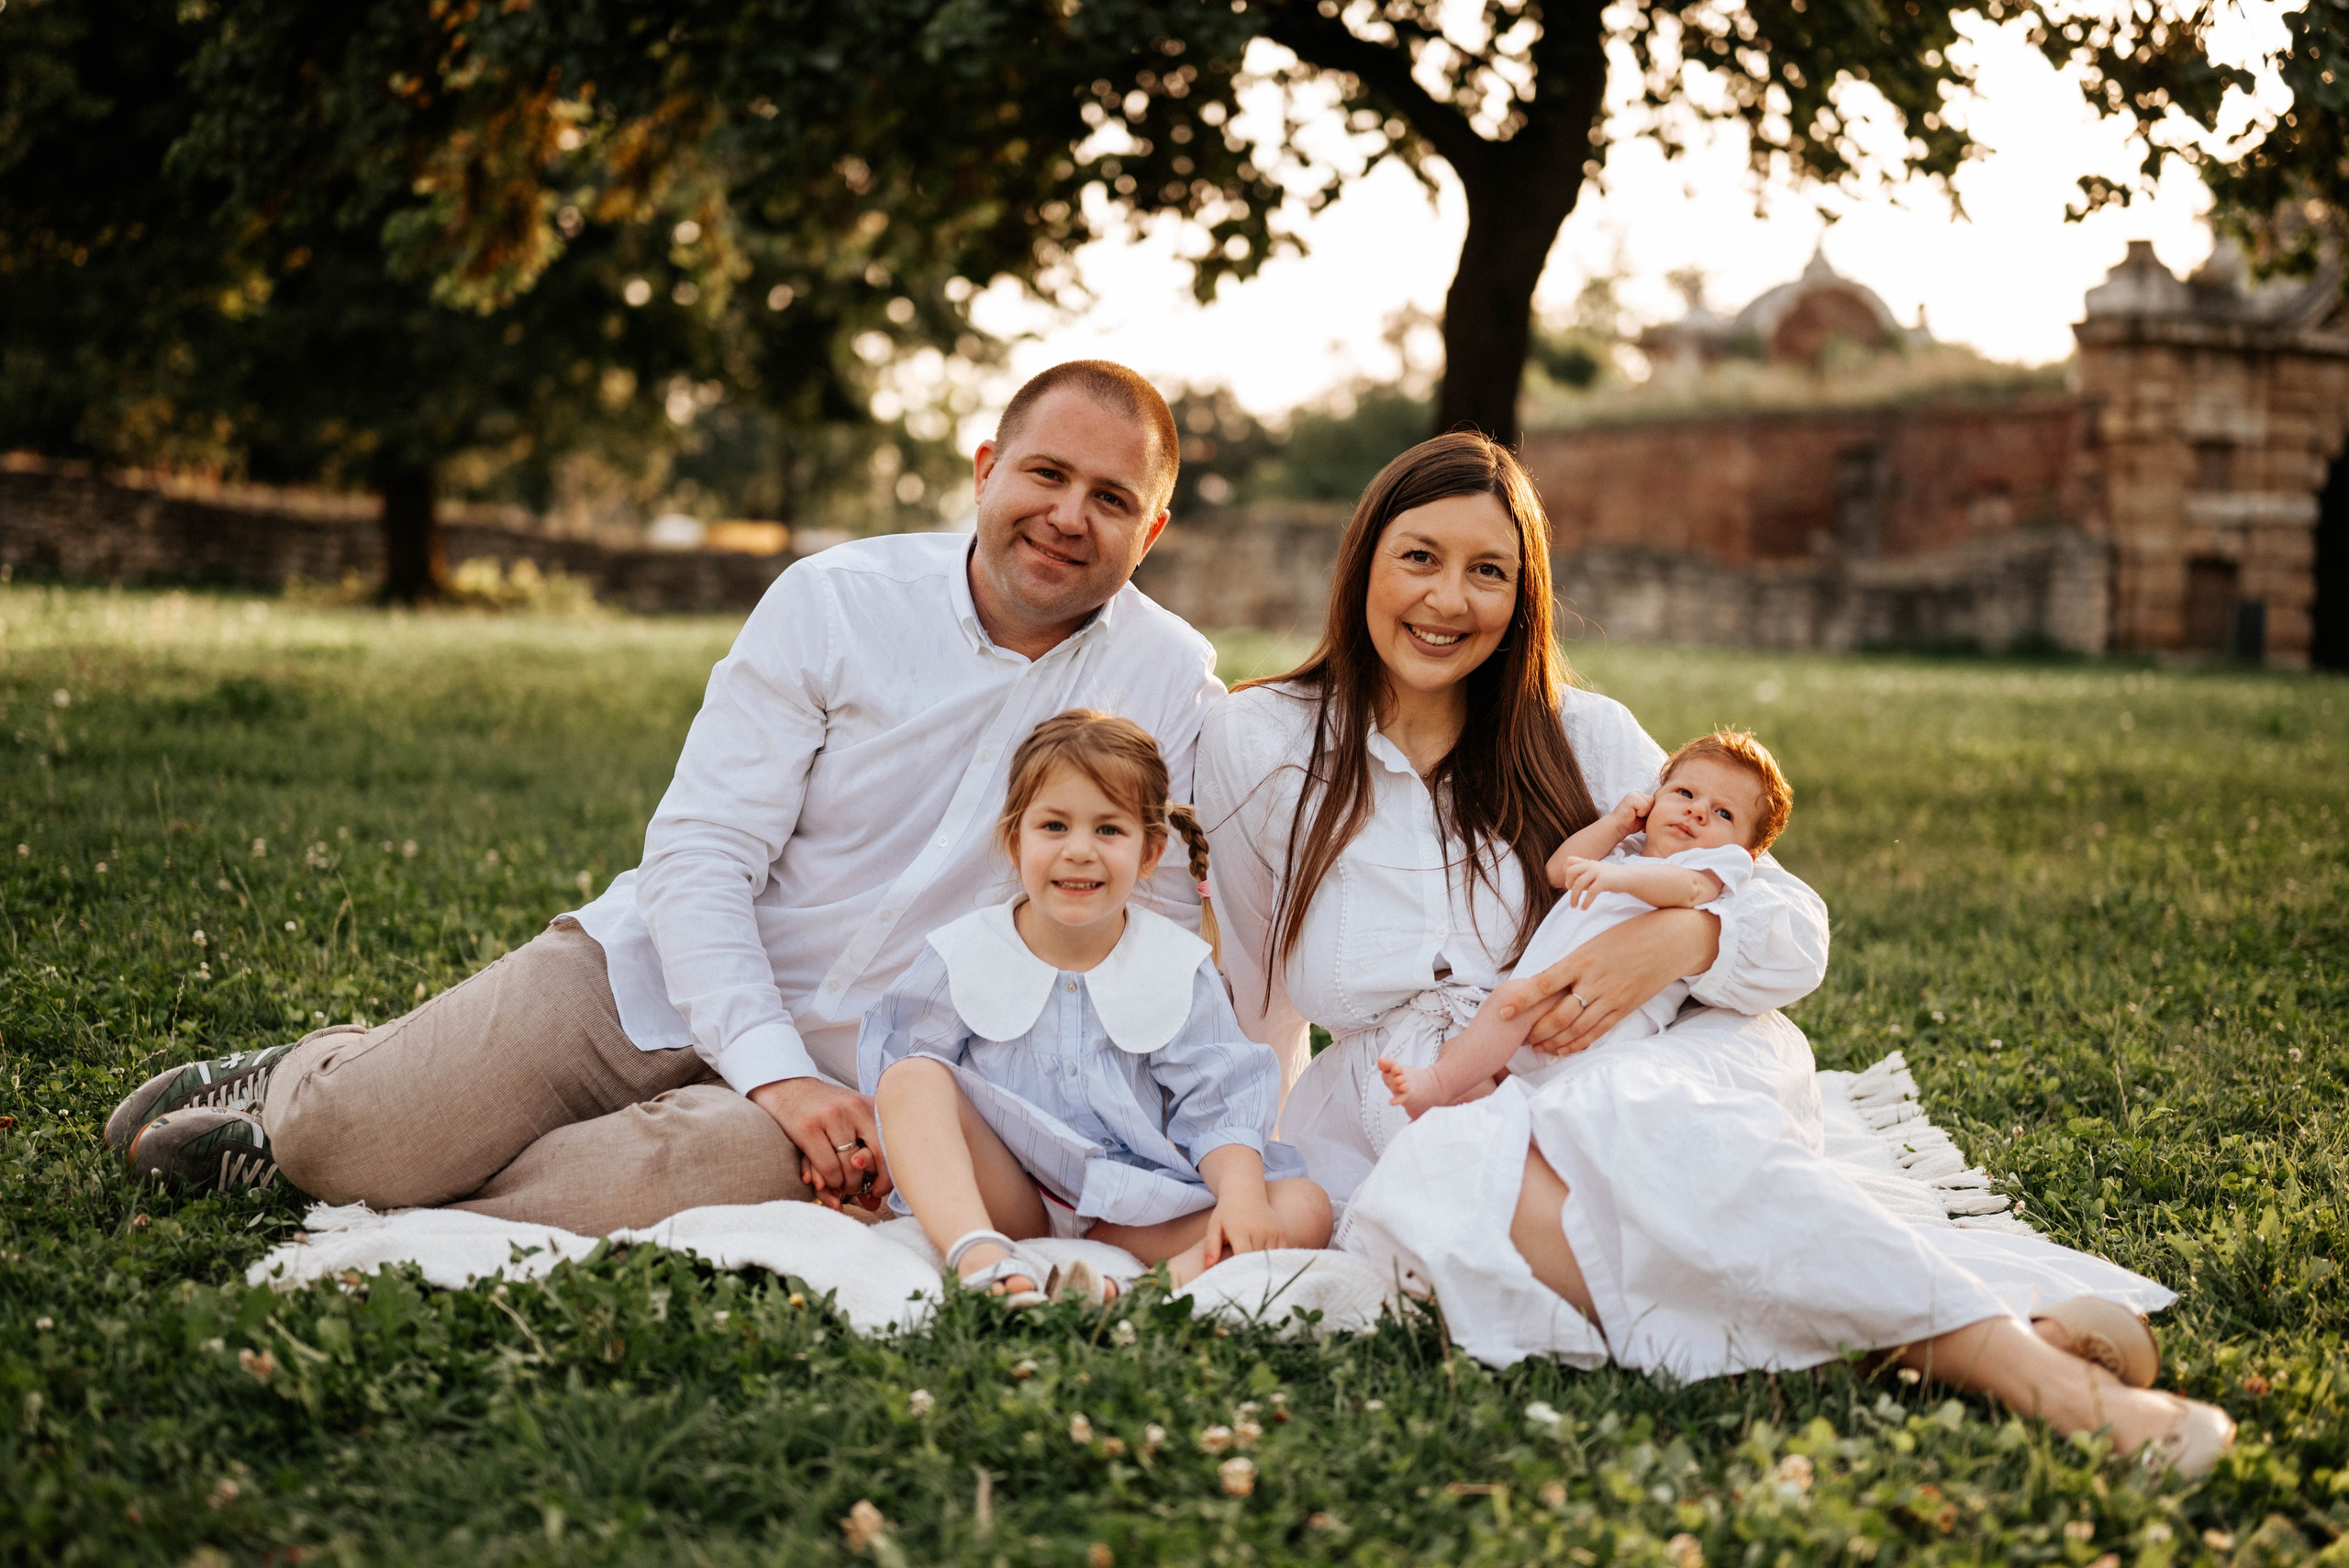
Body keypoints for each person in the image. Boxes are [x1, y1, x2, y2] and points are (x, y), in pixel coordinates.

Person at [1197, 431, 2233, 1478]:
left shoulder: (1585, 736)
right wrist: (1241, 1166)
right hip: (1427, 1100)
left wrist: (1678, 936)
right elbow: (1248, 992)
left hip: (1642, 1061)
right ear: (1363, 557)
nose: (1449, 598)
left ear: (1525, 593)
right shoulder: (1261, 739)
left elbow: (1786, 925)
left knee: (1629, 1146)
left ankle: (2050, 1386)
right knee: (1530, 1215)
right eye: (1418, 556)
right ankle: (2024, 1348)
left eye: (1489, 570)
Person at [106, 361, 1226, 1237]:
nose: (1069, 515)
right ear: (986, 468)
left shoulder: (1169, 676)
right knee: (362, 1130)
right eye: (1046, 474)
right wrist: (766, 1060)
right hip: (656, 973)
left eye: (1111, 497)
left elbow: (1159, 923)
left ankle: (340, 1179)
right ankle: (311, 1087)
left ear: (1152, 532)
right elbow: (703, 851)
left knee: (679, 1171)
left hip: (859, 1074)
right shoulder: (836, 600)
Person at [860, 711, 1329, 1305]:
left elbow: (1220, 1100)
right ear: (1015, 839)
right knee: (909, 1076)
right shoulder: (965, 953)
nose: (1079, 851)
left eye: (1109, 830)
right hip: (1012, 1198)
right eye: (1054, 825)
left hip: (1134, 1209)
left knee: (1301, 1206)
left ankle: (1131, 1293)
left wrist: (1239, 1196)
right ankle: (980, 1258)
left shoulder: (1175, 966)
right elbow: (904, 1089)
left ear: (1151, 850)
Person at [1378, 728, 1789, 1118]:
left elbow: (1688, 890)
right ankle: (1468, 1107)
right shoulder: (1623, 852)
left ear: (1748, 851)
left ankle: (1435, 1084)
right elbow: (1559, 871)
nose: (1696, 811)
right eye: (1684, 793)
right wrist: (1614, 826)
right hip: (1541, 1015)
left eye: (1722, 813)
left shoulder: (1713, 867)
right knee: (1465, 1061)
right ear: (1653, 797)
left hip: (1605, 1021)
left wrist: (1621, 878)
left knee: (1508, 1004)